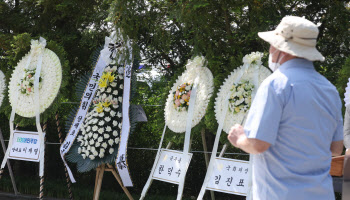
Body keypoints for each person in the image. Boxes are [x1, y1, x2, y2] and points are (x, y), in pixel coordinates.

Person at [228, 16, 344, 200]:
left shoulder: (275, 85)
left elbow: (258, 144)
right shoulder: (329, 90)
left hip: (279, 194)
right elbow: (336, 148)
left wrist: (239, 138)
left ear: (281, 48)